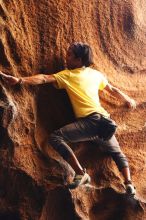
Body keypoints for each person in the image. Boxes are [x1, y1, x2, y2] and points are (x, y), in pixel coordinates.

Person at [0, 42, 136, 194]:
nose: (66, 57)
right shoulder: (96, 74)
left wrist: (20, 80)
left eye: (69, 55)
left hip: (91, 121)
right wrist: (127, 100)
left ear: (79, 60)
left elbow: (44, 78)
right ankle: (129, 183)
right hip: (104, 122)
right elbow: (112, 89)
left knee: (56, 138)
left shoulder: (69, 75)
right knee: (117, 153)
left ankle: (80, 173)